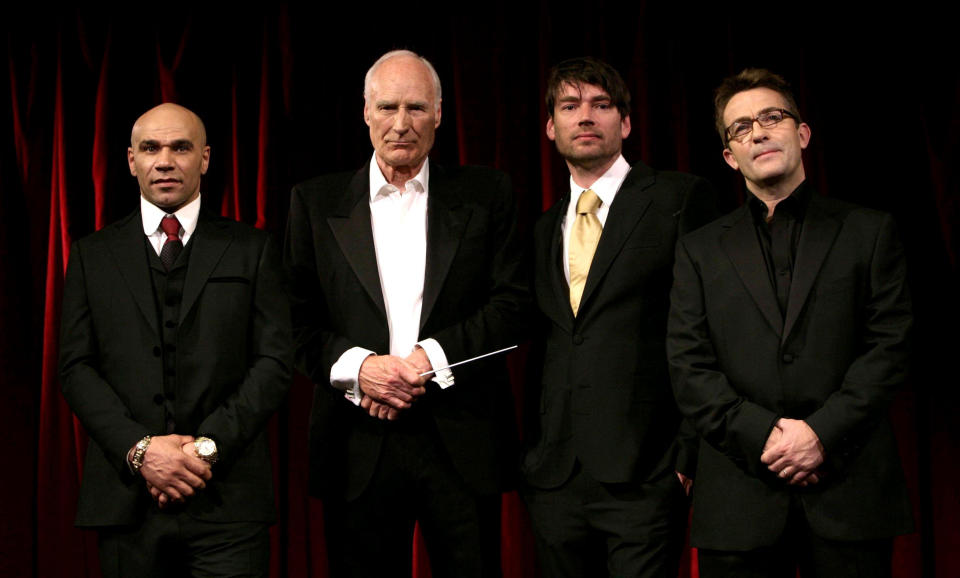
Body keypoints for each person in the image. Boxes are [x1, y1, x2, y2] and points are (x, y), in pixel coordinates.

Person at [283, 50, 527, 578]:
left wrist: (426, 360)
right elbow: (292, 321)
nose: (401, 123)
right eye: (388, 107)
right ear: (365, 112)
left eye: (416, 107)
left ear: (439, 114)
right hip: (356, 442)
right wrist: (361, 370)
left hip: (460, 439)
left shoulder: (487, 195)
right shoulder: (314, 201)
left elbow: (513, 307)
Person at [667, 68, 913, 577]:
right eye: (740, 128)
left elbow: (890, 348)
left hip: (850, 487)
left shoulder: (868, 231)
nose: (758, 131)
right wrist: (765, 436)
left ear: (801, 133)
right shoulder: (698, 250)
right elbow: (689, 366)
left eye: (771, 117)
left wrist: (819, 434)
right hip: (740, 496)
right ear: (730, 158)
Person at [59, 103, 292, 578]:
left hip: (229, 503)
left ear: (204, 158)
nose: (165, 160)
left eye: (180, 147)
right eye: (151, 148)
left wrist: (203, 450)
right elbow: (76, 368)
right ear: (131, 160)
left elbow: (274, 363)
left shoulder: (253, 249)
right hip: (128, 504)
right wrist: (142, 452)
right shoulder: (91, 256)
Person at [521, 56, 717, 577]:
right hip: (556, 479)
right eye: (570, 105)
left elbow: (709, 331)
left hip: (647, 474)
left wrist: (686, 459)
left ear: (625, 123)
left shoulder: (679, 198)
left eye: (600, 105)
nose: (585, 116)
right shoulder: (540, 230)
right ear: (550, 126)